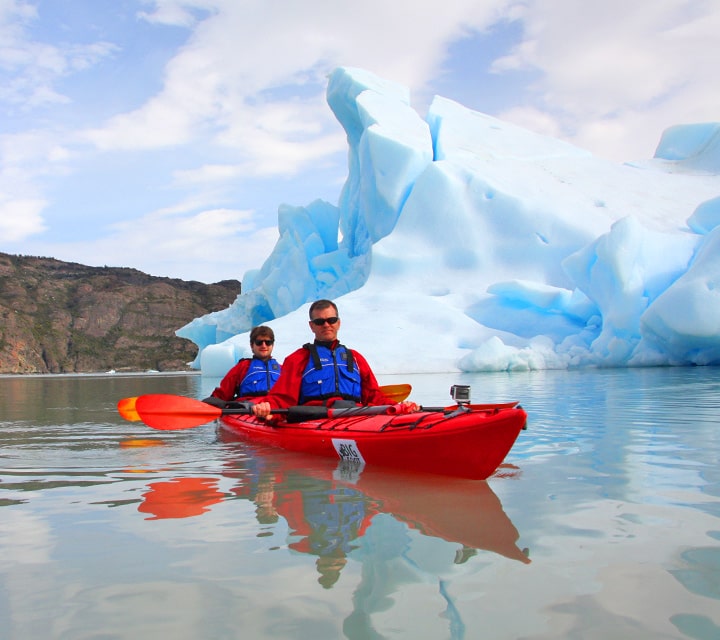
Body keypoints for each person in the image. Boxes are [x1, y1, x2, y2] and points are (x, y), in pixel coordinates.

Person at [251, 300, 417, 418]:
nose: (326, 325)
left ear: (338, 323)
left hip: (355, 415)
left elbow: (373, 397)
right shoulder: (298, 359)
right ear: (312, 326)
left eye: (331, 320)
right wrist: (268, 407)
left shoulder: (356, 358)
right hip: (315, 417)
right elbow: (282, 398)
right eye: (320, 321)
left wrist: (399, 407)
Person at [204, 325, 281, 407]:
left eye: (268, 342)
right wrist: (211, 402)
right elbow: (223, 394)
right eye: (259, 342)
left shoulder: (282, 369)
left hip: (277, 409)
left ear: (272, 345)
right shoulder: (242, 367)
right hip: (248, 410)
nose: (264, 345)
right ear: (252, 345)